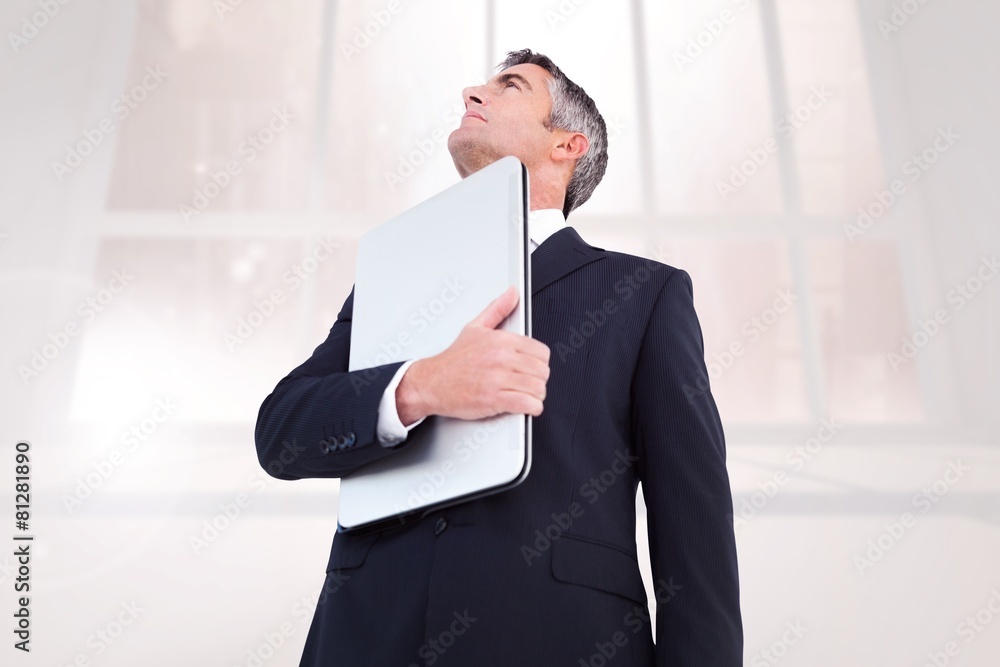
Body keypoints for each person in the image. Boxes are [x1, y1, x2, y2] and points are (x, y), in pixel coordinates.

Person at [255, 48, 743, 666]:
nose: (471, 93)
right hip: (368, 640)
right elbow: (280, 434)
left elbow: (694, 530)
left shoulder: (644, 294)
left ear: (568, 145)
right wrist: (418, 387)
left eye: (510, 85)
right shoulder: (390, 280)